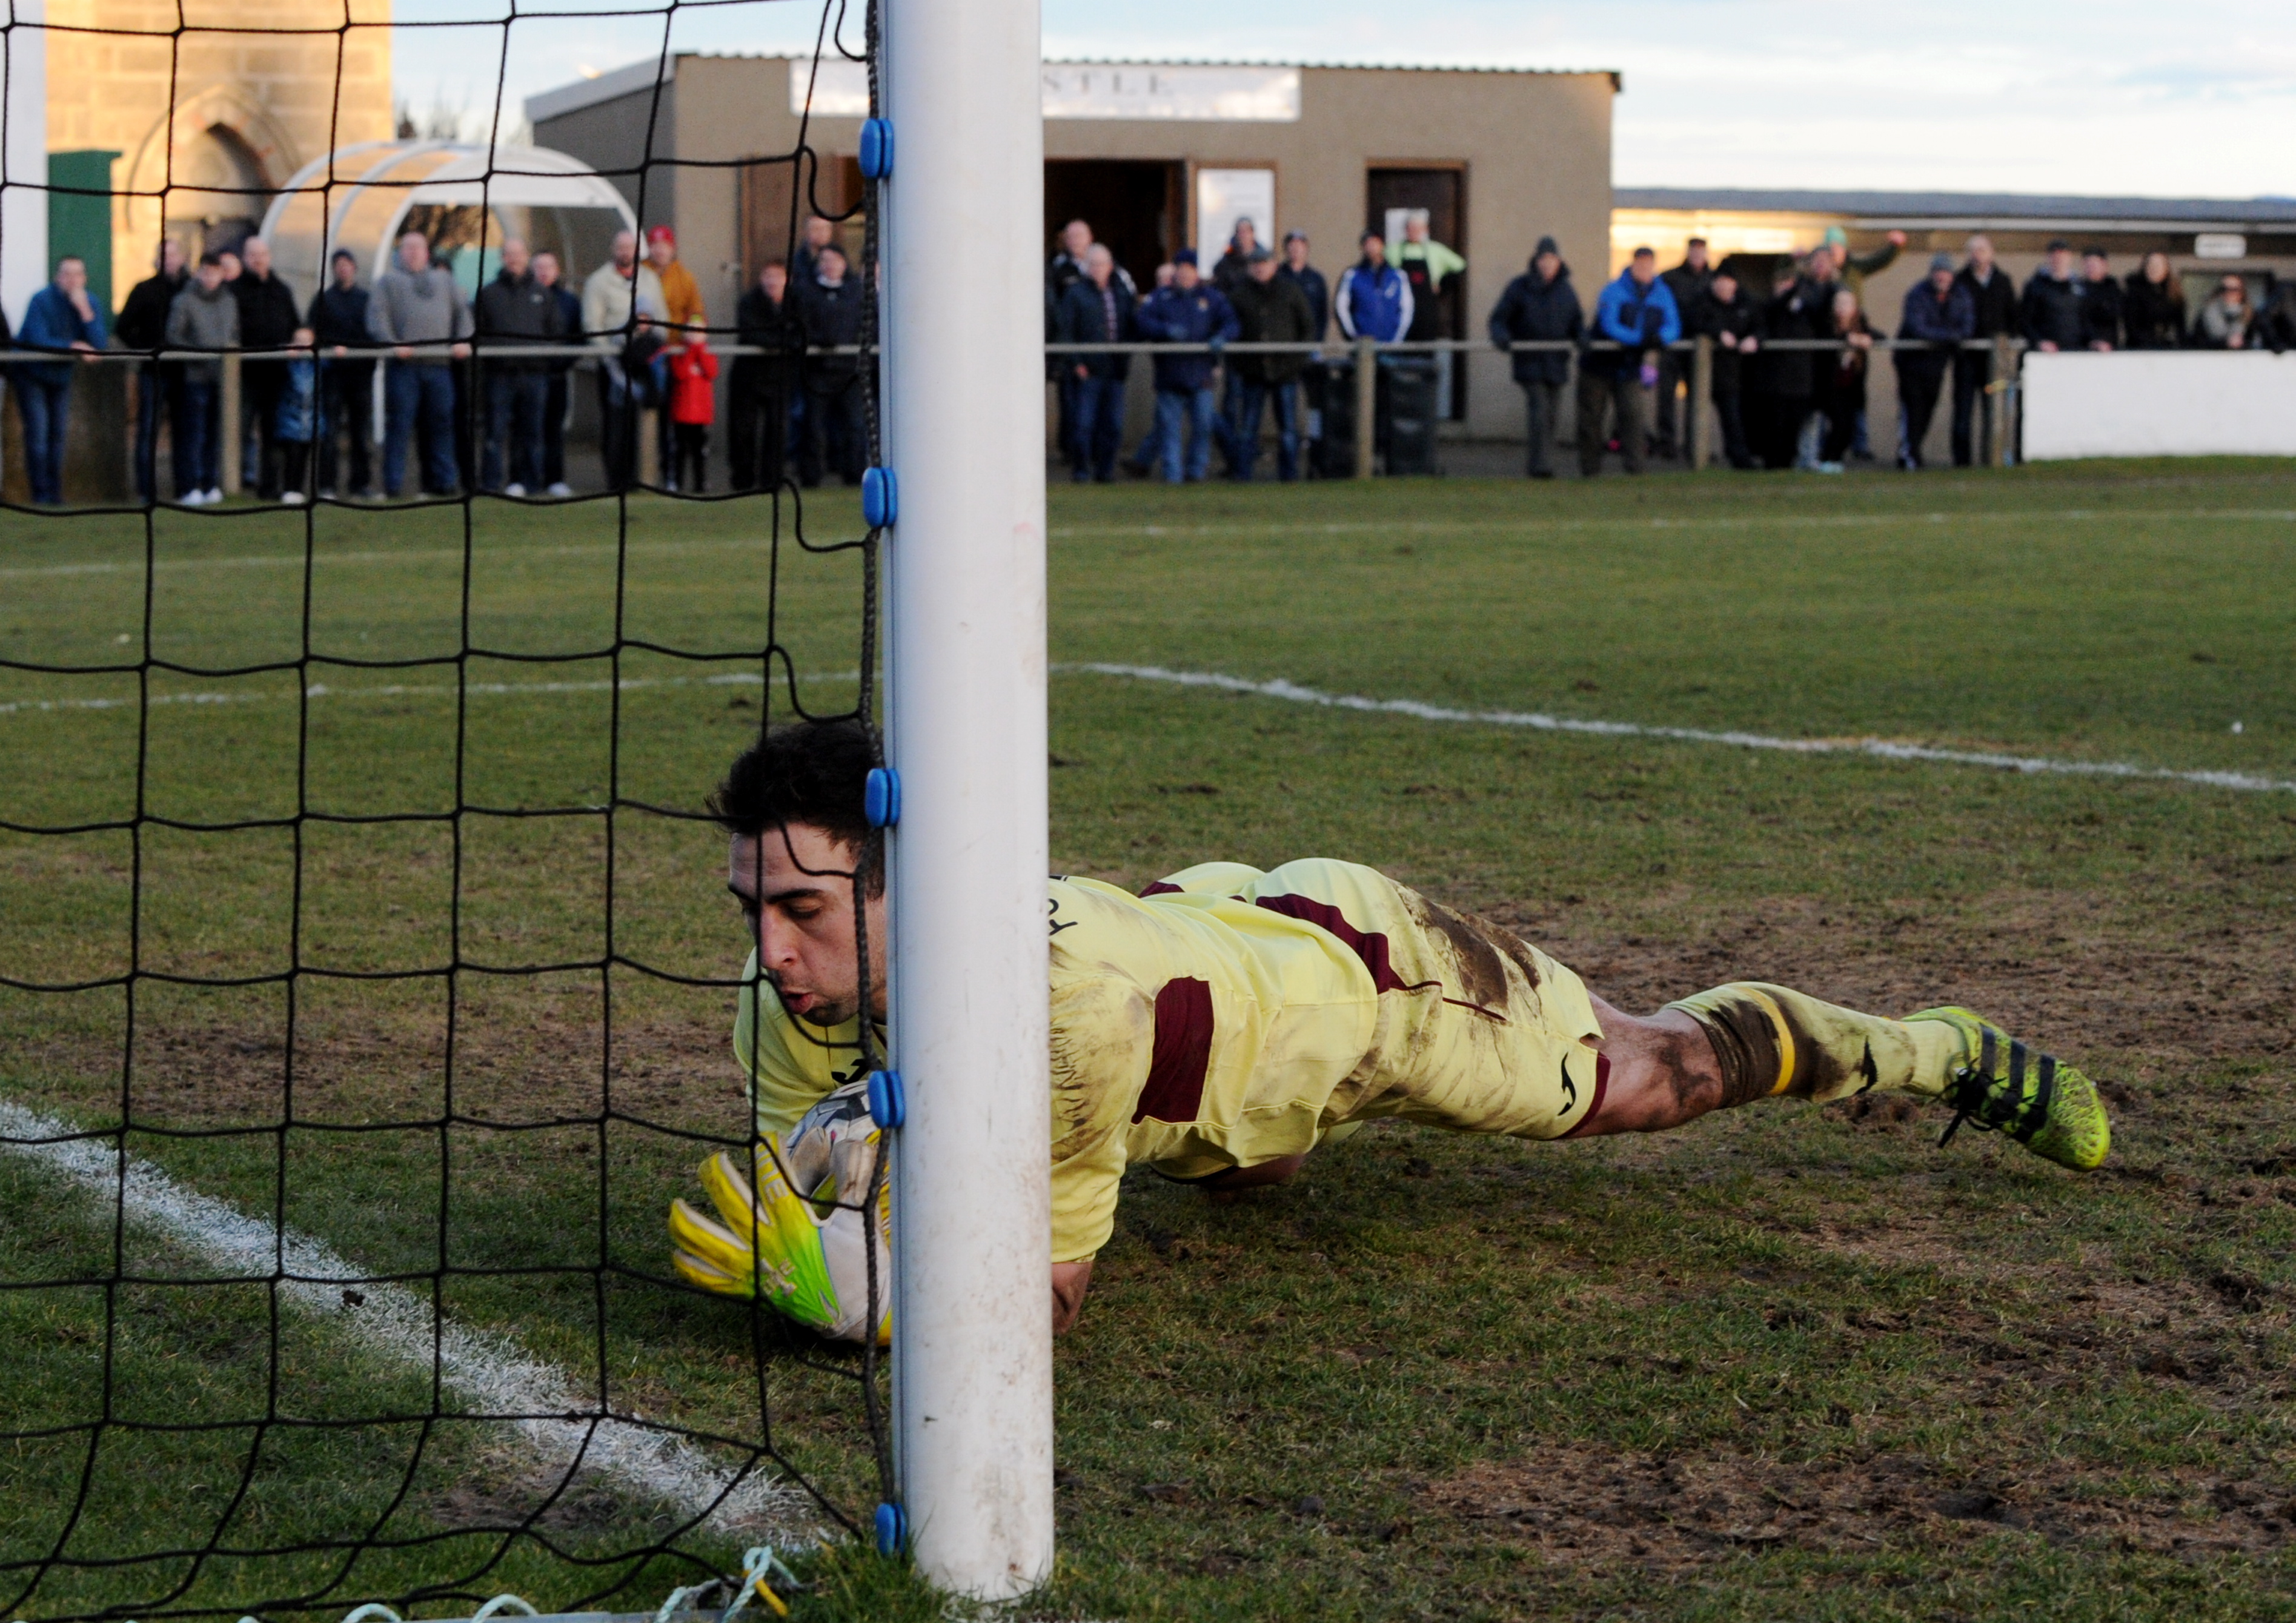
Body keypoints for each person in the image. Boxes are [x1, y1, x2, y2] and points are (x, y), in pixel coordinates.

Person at [673, 719, 2116, 1344]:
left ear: (899, 877)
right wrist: (816, 1218)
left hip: (1373, 985)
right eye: (754, 907)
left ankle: (1945, 1046)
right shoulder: (787, 988)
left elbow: (1034, 1308)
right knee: (1243, 1163)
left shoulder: (1060, 1018)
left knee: (1642, 1076)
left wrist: (854, 1293)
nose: (771, 948)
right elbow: (799, 1178)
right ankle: (1257, 1135)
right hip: (1207, 941)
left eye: (802, 905)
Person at [367, 230, 474, 499]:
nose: (413, 253)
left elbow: (463, 314)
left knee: (441, 426)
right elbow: (377, 318)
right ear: (400, 252)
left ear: (427, 253)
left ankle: (444, 482)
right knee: (399, 427)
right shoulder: (387, 282)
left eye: (419, 248)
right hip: (405, 369)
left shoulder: (444, 280)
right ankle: (393, 485)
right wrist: (392, 344)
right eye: (408, 248)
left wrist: (463, 341)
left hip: (440, 368)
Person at [1133, 248, 1239, 484]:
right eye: (1181, 269)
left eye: (1189, 269)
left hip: (1201, 375)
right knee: (1170, 431)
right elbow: (1142, 322)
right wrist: (1165, 331)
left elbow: (1232, 322)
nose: (1185, 274)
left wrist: (1222, 337)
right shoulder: (1161, 297)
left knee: (1203, 427)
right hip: (1170, 376)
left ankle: (1196, 473)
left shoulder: (1212, 298)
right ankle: (1173, 478)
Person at [1486, 236, 1583, 479]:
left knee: (1551, 415)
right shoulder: (1519, 288)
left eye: (1552, 260)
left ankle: (1543, 461)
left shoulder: (1566, 291)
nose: (1548, 264)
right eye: (1544, 259)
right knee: (1539, 411)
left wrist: (1582, 337)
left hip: (1556, 362)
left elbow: (1576, 321)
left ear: (1559, 262)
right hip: (1529, 361)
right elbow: (1499, 319)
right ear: (1536, 261)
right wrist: (1502, 337)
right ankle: (1541, 466)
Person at [1579, 246, 1679, 478]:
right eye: (1640, 264)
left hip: (1629, 366)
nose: (1644, 268)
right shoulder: (1613, 291)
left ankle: (1636, 471)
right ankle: (1590, 471)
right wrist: (1641, 340)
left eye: (1648, 264)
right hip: (1599, 365)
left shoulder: (1661, 293)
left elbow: (1673, 324)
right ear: (1633, 264)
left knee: (1633, 417)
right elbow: (1610, 325)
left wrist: (1660, 338)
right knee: (1592, 419)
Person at [16, 256, 108, 506]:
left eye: (78, 274)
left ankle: (56, 495)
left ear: (84, 278)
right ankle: (40, 495)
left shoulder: (89, 302)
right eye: (67, 274)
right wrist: (72, 346)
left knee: (58, 435)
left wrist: (85, 313)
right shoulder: (41, 300)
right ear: (58, 277)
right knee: (38, 434)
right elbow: (36, 339)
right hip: (32, 374)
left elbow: (99, 344)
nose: (72, 280)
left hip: (61, 376)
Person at [473, 237, 562, 496]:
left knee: (532, 433)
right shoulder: (488, 293)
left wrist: (542, 358)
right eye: (509, 255)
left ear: (527, 257)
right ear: (502, 258)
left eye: (519, 254)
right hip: (499, 376)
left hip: (535, 376)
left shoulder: (542, 293)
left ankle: (529, 483)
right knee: (495, 433)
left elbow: (555, 331)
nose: (515, 259)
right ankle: (490, 485)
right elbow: (478, 332)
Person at [582, 228, 666, 491]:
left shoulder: (650, 279)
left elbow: (662, 320)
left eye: (630, 247)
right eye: (621, 247)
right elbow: (592, 325)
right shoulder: (598, 281)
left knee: (646, 422)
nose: (625, 252)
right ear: (613, 249)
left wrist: (649, 345)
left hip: (644, 363)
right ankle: (616, 482)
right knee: (616, 425)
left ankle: (643, 479)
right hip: (614, 365)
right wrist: (613, 354)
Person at [1225, 246, 1316, 482]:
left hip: (1285, 371)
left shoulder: (1291, 291)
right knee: (1247, 430)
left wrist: (1296, 362)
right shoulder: (1239, 295)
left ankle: (1289, 476)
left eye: (1264, 263)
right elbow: (1228, 330)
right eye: (1255, 263)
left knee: (1288, 430)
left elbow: (1307, 328)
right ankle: (1243, 476)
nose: (1260, 267)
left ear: (1274, 265)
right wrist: (1240, 364)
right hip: (1252, 372)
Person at [1051, 244, 1138, 484]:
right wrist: (1077, 362)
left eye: (1103, 264)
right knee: (1083, 426)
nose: (1098, 269)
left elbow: (1131, 327)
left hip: (1115, 370)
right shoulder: (1076, 294)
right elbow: (1066, 330)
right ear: (1087, 267)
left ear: (1111, 266)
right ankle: (1081, 471)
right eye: (1094, 264)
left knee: (1113, 426)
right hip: (1088, 371)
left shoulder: (1121, 293)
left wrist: (1126, 357)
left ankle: (1105, 472)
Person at [230, 237, 308, 501]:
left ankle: (269, 487)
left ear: (269, 256)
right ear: (244, 257)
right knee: (237, 431)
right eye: (252, 255)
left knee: (273, 435)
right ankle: (232, 484)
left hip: (277, 376)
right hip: (245, 376)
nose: (258, 259)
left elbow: (295, 326)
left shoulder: (282, 290)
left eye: (262, 254)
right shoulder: (234, 291)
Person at [116, 239, 189, 505]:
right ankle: (146, 491)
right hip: (153, 372)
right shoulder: (144, 290)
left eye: (172, 255)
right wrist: (147, 349)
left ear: (182, 258)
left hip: (186, 373)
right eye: (162, 255)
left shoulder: (190, 289)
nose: (167, 260)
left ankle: (185, 488)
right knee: (148, 429)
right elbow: (123, 328)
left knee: (185, 430)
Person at [164, 252, 239, 505]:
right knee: (192, 434)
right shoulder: (184, 301)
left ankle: (210, 483)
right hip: (194, 377)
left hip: (223, 379)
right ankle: (189, 486)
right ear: (198, 273)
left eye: (215, 272)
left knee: (215, 434)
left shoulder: (229, 301)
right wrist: (197, 355)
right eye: (206, 271)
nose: (210, 277)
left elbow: (235, 334)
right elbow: (174, 335)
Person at [796, 242, 868, 486]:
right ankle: (812, 477)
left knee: (856, 426)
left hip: (850, 371)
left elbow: (865, 324)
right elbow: (801, 326)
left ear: (844, 264)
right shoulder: (806, 292)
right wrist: (821, 341)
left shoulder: (856, 292)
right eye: (824, 261)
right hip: (818, 371)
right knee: (814, 426)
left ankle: (854, 475)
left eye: (835, 260)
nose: (830, 265)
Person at [1894, 254, 1974, 471]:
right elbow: (1918, 328)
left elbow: (1967, 328)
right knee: (1913, 408)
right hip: (1911, 362)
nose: (1942, 276)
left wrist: (1942, 338)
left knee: (1928, 407)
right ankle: (1910, 454)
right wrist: (1949, 337)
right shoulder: (1917, 294)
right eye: (1938, 272)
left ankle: (1913, 450)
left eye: (1946, 272)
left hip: (1936, 363)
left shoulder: (1960, 295)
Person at [308, 248, 376, 499]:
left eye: (347, 264)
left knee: (361, 433)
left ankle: (361, 484)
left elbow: (373, 333)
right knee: (330, 432)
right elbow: (314, 332)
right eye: (338, 264)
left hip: (360, 377)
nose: (343, 268)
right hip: (333, 377)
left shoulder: (366, 299)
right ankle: (327, 486)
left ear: (354, 267)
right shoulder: (324, 300)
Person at [731, 259, 802, 492]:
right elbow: (753, 334)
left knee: (777, 432)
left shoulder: (797, 303)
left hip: (780, 378)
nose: (772, 281)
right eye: (768, 276)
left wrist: (784, 340)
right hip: (748, 378)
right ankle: (743, 483)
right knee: (744, 433)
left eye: (778, 276)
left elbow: (801, 335)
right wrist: (783, 339)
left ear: (788, 280)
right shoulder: (748, 303)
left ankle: (771, 483)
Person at [644, 225, 706, 490]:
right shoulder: (642, 273)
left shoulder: (684, 277)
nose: (660, 250)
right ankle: (648, 472)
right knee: (650, 414)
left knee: (677, 419)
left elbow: (696, 310)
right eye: (655, 245)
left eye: (665, 245)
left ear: (672, 248)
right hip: (650, 353)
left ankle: (674, 475)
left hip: (676, 354)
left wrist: (691, 333)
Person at [1951, 234, 2020, 468]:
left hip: (1995, 363)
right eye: (1972, 250)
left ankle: (1992, 461)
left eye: (1981, 250)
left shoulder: (2003, 281)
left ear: (1991, 253)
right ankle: (1962, 464)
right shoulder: (1959, 282)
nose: (1976, 255)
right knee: (1963, 412)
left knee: (1994, 412)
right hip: (1967, 359)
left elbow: (2013, 317)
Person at [1753, 259, 1823, 472]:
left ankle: (1790, 463)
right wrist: (1797, 283)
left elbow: (1820, 309)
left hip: (1800, 379)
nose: (1787, 286)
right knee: (1775, 426)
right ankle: (1773, 464)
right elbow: (1777, 306)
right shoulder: (1769, 308)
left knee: (1796, 425)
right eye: (1782, 282)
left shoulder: (1805, 311)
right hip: (1775, 381)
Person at [1690, 268, 1760, 470]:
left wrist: (1755, 339)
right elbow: (1694, 322)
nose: (1724, 288)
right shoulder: (1702, 302)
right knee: (1699, 416)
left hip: (1735, 373)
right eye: (1720, 283)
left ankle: (1740, 458)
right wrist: (1718, 333)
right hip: (1703, 372)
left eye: (1728, 283)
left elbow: (1760, 326)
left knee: (1733, 417)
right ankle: (1697, 458)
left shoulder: (1745, 304)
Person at [1654, 237, 1713, 459]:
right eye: (1694, 251)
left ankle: (1694, 446)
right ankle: (1667, 444)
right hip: (1672, 346)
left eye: (1701, 252)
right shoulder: (1670, 278)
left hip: (1700, 350)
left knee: (1697, 398)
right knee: (1666, 396)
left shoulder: (1712, 279)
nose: (1697, 256)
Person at [531, 250, 582, 496]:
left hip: (557, 377)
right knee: (528, 428)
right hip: (528, 376)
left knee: (554, 429)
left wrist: (563, 362)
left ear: (557, 270)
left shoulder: (570, 302)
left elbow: (579, 339)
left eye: (548, 266)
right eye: (539, 266)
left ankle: (555, 479)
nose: (544, 271)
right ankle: (527, 479)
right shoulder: (524, 299)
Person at [1811, 287, 1877, 473]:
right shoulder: (1827, 324)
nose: (1842, 308)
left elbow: (1879, 336)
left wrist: (1866, 338)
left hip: (1850, 388)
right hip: (1829, 386)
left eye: (1847, 303)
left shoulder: (1860, 325)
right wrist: (1848, 338)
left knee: (1848, 427)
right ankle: (1825, 459)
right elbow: (1827, 338)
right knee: (1838, 423)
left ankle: (1833, 460)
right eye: (1839, 303)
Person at [666, 325, 718, 493]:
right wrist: (691, 350)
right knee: (679, 450)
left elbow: (711, 372)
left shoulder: (708, 351)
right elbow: (680, 373)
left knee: (700, 451)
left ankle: (701, 483)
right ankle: (677, 482)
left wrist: (699, 350)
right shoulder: (679, 351)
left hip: (701, 414)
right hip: (682, 412)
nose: (695, 335)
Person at [2020, 241, 2086, 354]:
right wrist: (2040, 342)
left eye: (2062, 256)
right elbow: (2025, 321)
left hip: (2075, 352)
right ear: (2048, 258)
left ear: (2069, 257)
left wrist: (2093, 340)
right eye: (2055, 256)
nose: (2059, 260)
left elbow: (2085, 319)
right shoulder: (2036, 286)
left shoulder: (2079, 286)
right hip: (2046, 354)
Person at [2122, 253, 2186, 350]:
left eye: (2159, 265)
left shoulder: (2173, 294)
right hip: (2138, 348)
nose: (2154, 268)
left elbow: (2180, 326)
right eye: (2150, 265)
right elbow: (2131, 326)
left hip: (2165, 347)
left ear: (2166, 269)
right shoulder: (2134, 292)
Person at [2191, 275, 2255, 350]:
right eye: (2225, 289)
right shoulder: (2207, 314)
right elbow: (2197, 342)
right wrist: (2225, 343)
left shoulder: (2250, 316)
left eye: (2234, 289)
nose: (2229, 293)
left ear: (2242, 293)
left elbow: (2256, 342)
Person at [2077, 248, 2122, 351]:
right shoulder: (2077, 290)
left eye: (2094, 264)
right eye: (2087, 265)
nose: (2091, 268)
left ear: (2104, 265)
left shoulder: (2113, 288)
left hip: (2110, 346)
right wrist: (2093, 340)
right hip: (2083, 347)